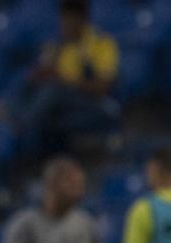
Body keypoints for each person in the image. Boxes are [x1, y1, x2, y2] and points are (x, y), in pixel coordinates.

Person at [13, 0, 119, 156]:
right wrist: (42, 71)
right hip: (66, 106)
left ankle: (21, 124)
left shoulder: (101, 42)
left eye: (69, 20)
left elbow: (103, 87)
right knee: (26, 82)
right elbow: (38, 77)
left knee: (53, 90)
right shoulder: (60, 46)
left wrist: (66, 80)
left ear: (82, 20)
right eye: (63, 19)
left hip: (97, 105)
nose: (64, 25)